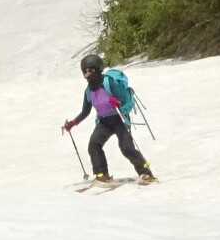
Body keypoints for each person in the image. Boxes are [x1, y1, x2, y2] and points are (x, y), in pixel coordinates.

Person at [62, 54, 157, 184]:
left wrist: (118, 103)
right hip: (104, 122)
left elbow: (126, 101)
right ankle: (102, 175)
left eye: (90, 70)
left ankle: (146, 174)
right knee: (94, 145)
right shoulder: (88, 91)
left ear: (98, 69)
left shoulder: (110, 83)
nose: (87, 74)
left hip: (119, 119)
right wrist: (73, 123)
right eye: (85, 71)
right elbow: (85, 111)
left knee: (126, 148)